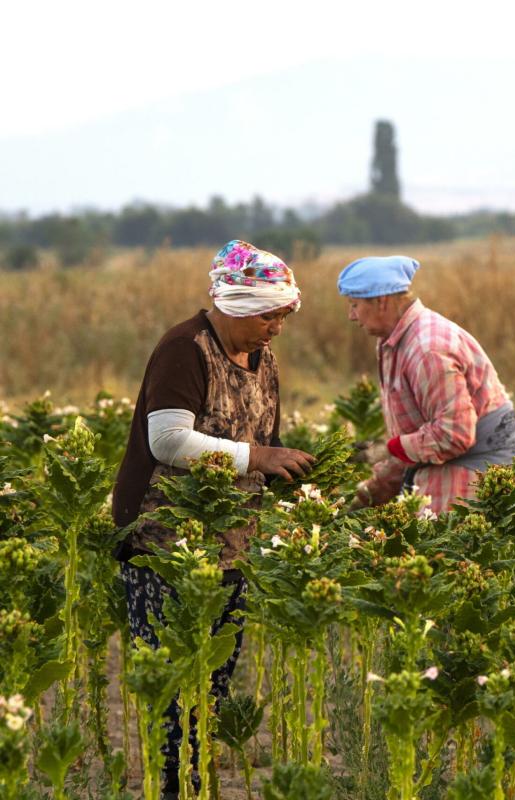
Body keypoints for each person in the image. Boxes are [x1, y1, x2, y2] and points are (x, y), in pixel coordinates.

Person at [112, 239, 314, 797]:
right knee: (174, 682)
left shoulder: (263, 360)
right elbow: (169, 440)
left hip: (228, 543)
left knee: (215, 681)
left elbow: (261, 440)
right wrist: (259, 458)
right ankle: (170, 787)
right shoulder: (185, 348)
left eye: (283, 313)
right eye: (268, 314)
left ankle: (195, 785)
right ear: (235, 304)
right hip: (164, 542)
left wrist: (291, 474)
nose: (276, 326)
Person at [338, 255, 515, 512]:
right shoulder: (394, 341)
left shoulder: (427, 348)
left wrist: (387, 449)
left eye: (354, 305)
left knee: (440, 547)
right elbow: (415, 437)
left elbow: (454, 435)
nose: (351, 316)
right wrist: (370, 494)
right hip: (453, 461)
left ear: (381, 302)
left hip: (483, 471)